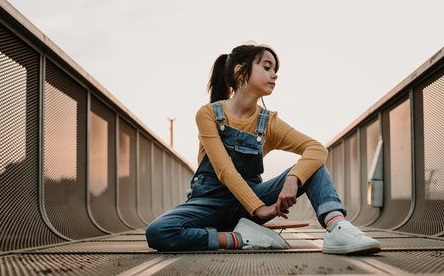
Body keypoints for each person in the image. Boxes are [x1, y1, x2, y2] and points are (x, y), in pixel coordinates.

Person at [146, 43, 381, 254]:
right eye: (267, 67)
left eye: (275, 69)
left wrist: (293, 178)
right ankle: (238, 238)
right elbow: (224, 170)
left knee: (313, 167)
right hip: (210, 204)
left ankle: (336, 226)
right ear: (240, 72)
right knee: (158, 231)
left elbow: (316, 149)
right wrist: (258, 209)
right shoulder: (209, 114)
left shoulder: (268, 122)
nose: (274, 75)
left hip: (250, 200)